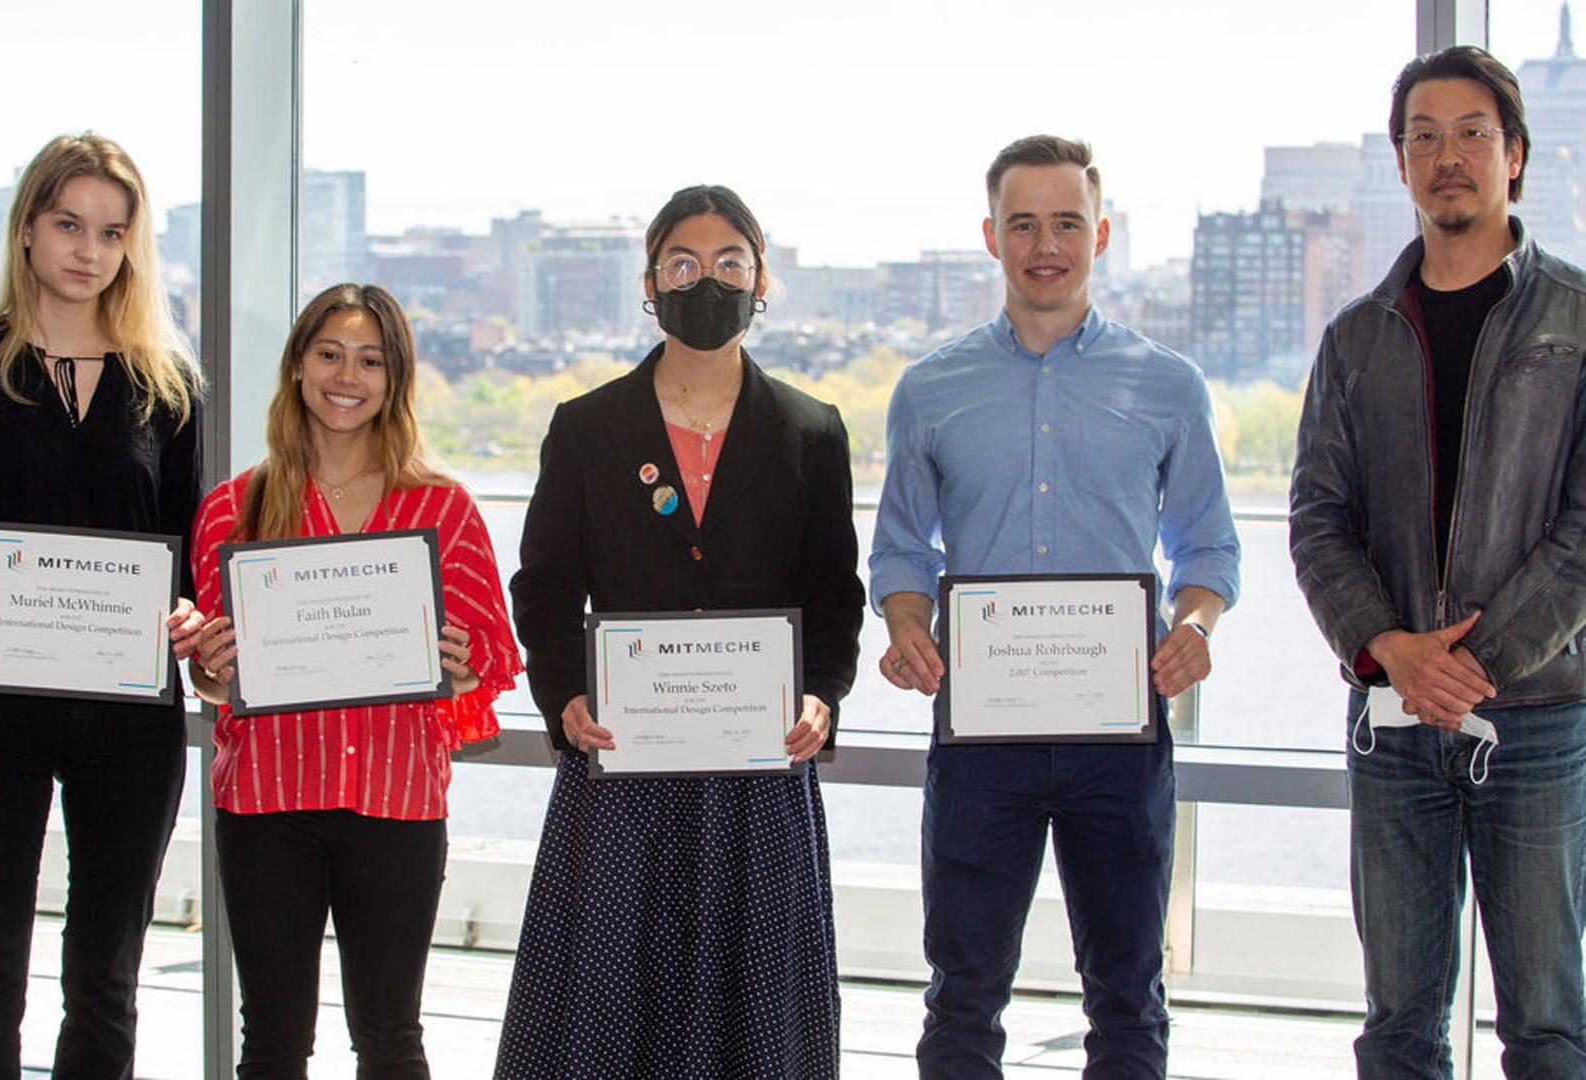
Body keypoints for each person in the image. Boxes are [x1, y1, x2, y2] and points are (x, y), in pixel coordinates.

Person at [870, 136, 1240, 1078]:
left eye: (1066, 222)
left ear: (1100, 234)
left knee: (1126, 997)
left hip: (1117, 736)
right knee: (962, 996)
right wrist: (907, 625)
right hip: (978, 738)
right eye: (1023, 223)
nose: (1046, 243)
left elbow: (1209, 549)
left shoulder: (1168, 385)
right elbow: (902, 548)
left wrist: (1192, 628)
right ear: (989, 237)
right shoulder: (927, 391)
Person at [494, 184, 864, 1079]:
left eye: (729, 261)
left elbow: (833, 594)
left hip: (757, 775)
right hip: (621, 764)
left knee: (754, 1027)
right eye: (683, 263)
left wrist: (821, 694)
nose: (708, 279)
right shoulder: (586, 429)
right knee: (605, 1017)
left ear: (762, 279)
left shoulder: (810, 433)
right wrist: (565, 694)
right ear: (649, 283)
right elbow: (543, 585)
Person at [0, 132, 204, 1077]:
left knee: (105, 978)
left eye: (111, 232)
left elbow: (192, 548)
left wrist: (187, 615)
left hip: (128, 722)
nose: (87, 250)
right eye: (68, 224)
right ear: (26, 229)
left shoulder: (168, 386)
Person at [1290, 46, 1586, 1077]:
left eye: (1470, 134)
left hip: (1539, 719)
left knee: (1549, 1025)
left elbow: (1583, 529)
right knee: (1397, 1025)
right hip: (1391, 721)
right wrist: (1388, 650)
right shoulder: (1353, 337)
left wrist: (1473, 664)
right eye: (1422, 137)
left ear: (1513, 155)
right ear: (1400, 163)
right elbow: (1316, 519)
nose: (1445, 155)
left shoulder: (1577, 320)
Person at [184, 282, 521, 1079]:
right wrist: (209, 665)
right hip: (267, 805)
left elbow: (493, 658)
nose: (347, 376)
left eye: (370, 360)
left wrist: (462, 661)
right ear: (298, 365)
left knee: (391, 1040)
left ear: (394, 378)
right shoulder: (234, 508)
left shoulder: (444, 509)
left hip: (395, 806)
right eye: (329, 354)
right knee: (270, 1044)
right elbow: (213, 680)